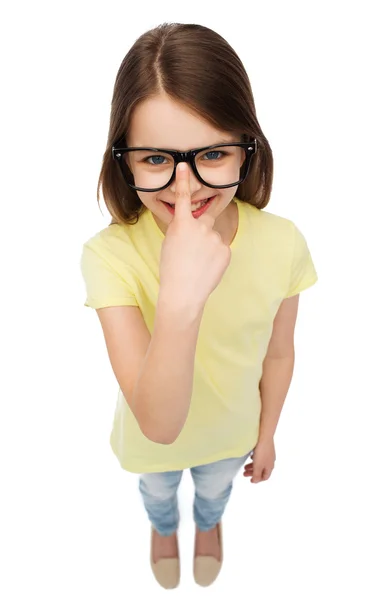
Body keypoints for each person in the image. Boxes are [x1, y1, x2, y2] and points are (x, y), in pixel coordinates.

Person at [80, 22, 318, 590]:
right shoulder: (107, 255)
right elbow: (159, 425)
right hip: (149, 442)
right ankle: (164, 529)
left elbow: (278, 356)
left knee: (214, 492)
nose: (186, 188)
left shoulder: (283, 241)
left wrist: (267, 435)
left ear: (246, 148)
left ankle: (207, 525)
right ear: (125, 162)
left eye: (212, 153)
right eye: (157, 159)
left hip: (231, 438)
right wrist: (180, 294)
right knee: (159, 494)